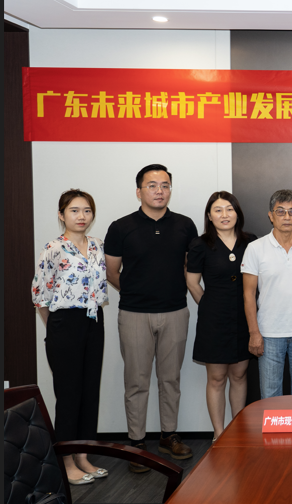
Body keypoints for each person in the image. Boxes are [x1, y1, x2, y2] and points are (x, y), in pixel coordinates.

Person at [105, 164, 198, 470]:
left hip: (175, 311)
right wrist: (137, 293)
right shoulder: (121, 227)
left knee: (170, 379)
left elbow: (189, 268)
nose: (160, 191)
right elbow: (112, 271)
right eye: (152, 185)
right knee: (136, 381)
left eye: (165, 185)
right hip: (134, 314)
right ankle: (137, 443)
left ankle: (168, 436)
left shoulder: (185, 225)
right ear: (139, 191)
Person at [32, 189, 109, 485]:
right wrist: (55, 328)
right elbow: (40, 295)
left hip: (94, 320)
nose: (81, 216)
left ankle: (83, 455)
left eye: (87, 210)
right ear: (61, 215)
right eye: (74, 210)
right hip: (64, 322)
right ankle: (65, 461)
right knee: (68, 394)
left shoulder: (97, 245)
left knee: (90, 391)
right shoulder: (54, 248)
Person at [186, 191, 257, 441]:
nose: (224, 215)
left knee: (239, 375)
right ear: (209, 215)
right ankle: (219, 434)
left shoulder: (251, 242)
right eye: (218, 210)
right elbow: (192, 282)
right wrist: (209, 305)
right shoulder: (200, 244)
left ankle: (237, 431)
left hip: (244, 317)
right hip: (214, 320)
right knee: (216, 378)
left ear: (238, 213)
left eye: (229, 209)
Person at [241, 189, 292, 398]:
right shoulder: (255, 248)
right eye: (280, 211)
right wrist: (254, 333)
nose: (287, 217)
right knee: (270, 396)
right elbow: (248, 294)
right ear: (271, 216)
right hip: (268, 334)